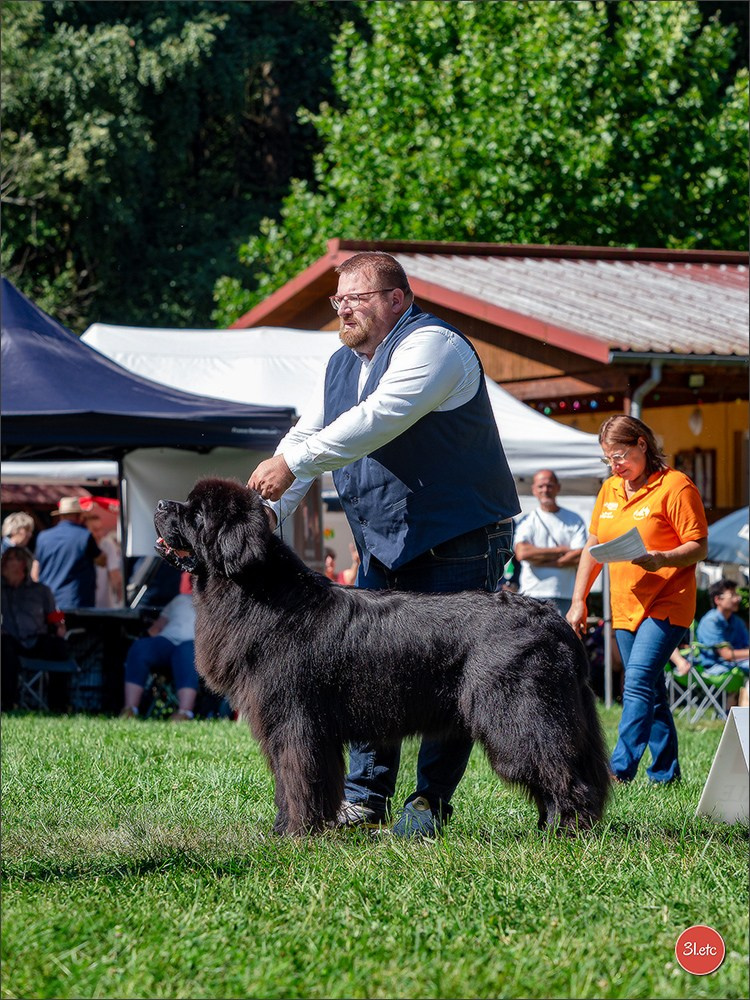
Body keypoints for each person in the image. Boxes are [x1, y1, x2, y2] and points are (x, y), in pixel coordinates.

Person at [248, 250, 519, 837]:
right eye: (337, 301)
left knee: (454, 670)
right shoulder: (341, 363)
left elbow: (379, 418)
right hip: (382, 540)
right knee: (368, 668)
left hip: (459, 533)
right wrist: (266, 511)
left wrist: (290, 462)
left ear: (397, 299)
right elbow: (310, 432)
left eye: (357, 299)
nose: (343, 310)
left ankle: (428, 804)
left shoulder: (434, 347)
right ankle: (364, 799)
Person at [567, 414, 708, 786]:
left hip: (668, 601)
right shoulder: (610, 488)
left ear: (642, 445)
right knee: (652, 690)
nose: (615, 465)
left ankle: (618, 770)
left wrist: (662, 558)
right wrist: (579, 600)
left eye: (620, 455)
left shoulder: (676, 486)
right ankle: (665, 774)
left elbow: (698, 546)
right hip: (625, 605)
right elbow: (593, 547)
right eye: (608, 459)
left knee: (638, 680)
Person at [119, 575, 198, 721]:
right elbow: (156, 628)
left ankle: (184, 712)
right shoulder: (178, 600)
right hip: (167, 640)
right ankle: (130, 709)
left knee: (188, 652)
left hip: (192, 642)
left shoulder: (211, 603)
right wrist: (142, 637)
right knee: (140, 648)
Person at [1, 546, 69, 711]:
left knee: (60, 647)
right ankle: (8, 704)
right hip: (11, 642)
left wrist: (60, 626)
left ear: (22, 564)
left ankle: (59, 706)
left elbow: (55, 614)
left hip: (37, 639)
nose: (3, 564)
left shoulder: (41, 591)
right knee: (3, 646)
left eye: (9, 560)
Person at [513, 469, 587, 616]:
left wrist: (541, 561)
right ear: (534, 490)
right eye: (540, 486)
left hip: (565, 593)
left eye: (549, 485)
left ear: (557, 488)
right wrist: (561, 551)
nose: (545, 490)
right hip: (532, 593)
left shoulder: (574, 519)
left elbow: (581, 556)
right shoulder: (527, 521)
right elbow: (522, 553)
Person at [32, 497, 105, 609]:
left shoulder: (43, 537)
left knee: (54, 626)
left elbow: (35, 570)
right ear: (79, 516)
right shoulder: (84, 536)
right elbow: (102, 561)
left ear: (61, 516)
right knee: (74, 626)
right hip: (76, 603)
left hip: (48, 602)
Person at [695, 578, 749, 676]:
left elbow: (746, 644)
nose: (737, 599)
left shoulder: (737, 621)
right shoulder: (711, 621)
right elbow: (726, 654)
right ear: (718, 599)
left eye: (736, 595)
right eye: (732, 595)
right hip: (714, 667)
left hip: (736, 663)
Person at [81, 501, 123, 608]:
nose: (99, 534)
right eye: (95, 530)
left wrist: (120, 597)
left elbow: (115, 575)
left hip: (103, 605)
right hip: (84, 602)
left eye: (100, 529)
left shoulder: (107, 545)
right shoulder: (81, 544)